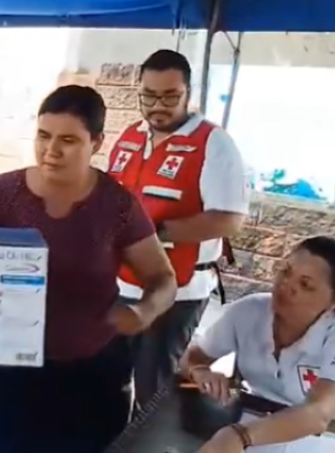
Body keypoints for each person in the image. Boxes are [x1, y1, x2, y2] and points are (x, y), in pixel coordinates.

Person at [0, 85, 178, 453]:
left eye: (68, 140)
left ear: (96, 143)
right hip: (8, 369)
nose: (51, 150)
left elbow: (162, 279)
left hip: (87, 374)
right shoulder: (1, 195)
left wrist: (145, 311)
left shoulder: (116, 205)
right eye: (43, 136)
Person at [107, 49, 248, 410]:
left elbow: (229, 218)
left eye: (170, 96)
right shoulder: (129, 138)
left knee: (154, 389)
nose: (158, 105)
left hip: (178, 291)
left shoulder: (213, 143)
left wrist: (155, 232)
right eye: (149, 96)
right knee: (109, 381)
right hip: (120, 284)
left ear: (189, 93)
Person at [180, 236, 335, 453]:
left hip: (328, 438)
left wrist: (240, 435)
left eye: (306, 285)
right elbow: (190, 358)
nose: (286, 285)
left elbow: (318, 414)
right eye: (285, 270)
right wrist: (200, 371)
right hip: (258, 420)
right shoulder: (248, 311)